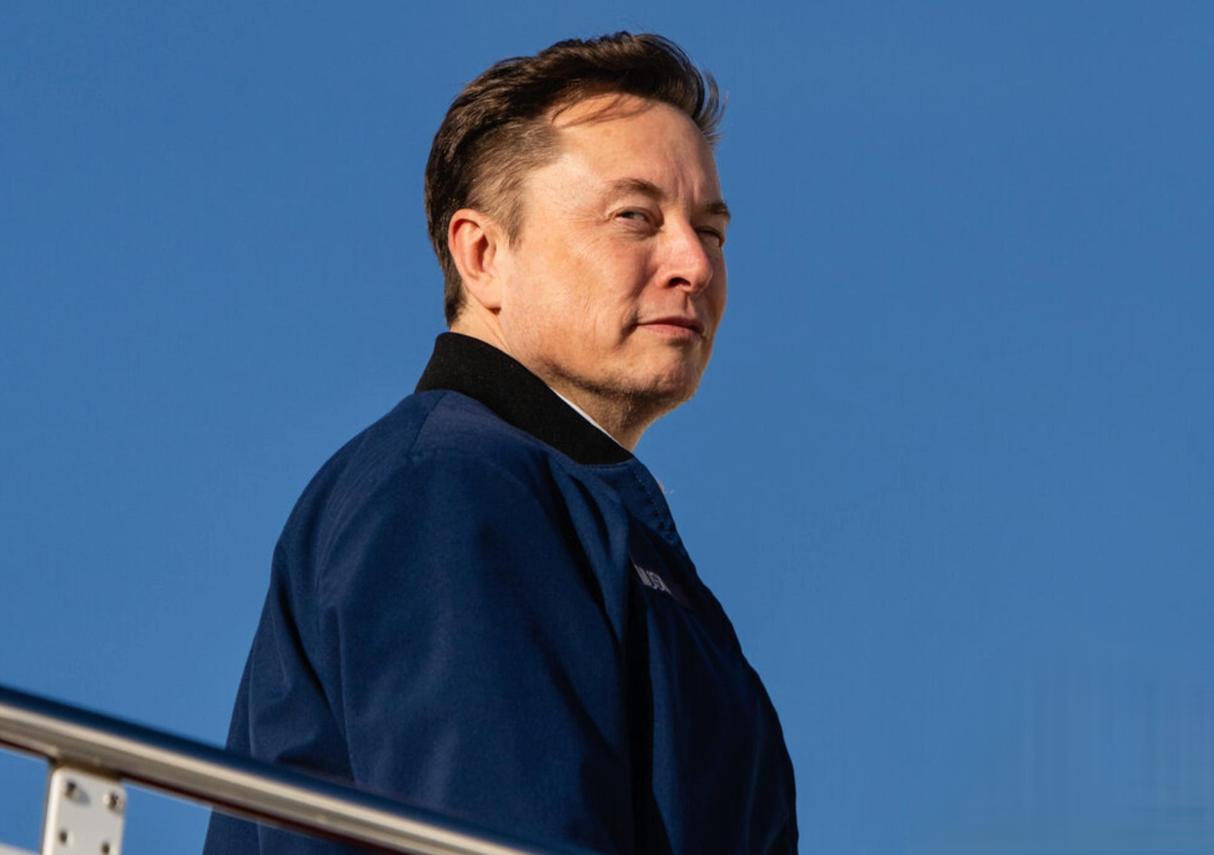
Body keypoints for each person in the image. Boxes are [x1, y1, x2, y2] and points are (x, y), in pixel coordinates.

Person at [204, 32, 797, 855]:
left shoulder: (574, 512)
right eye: (635, 217)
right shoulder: (451, 487)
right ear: (483, 254)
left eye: (712, 230)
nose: (694, 263)